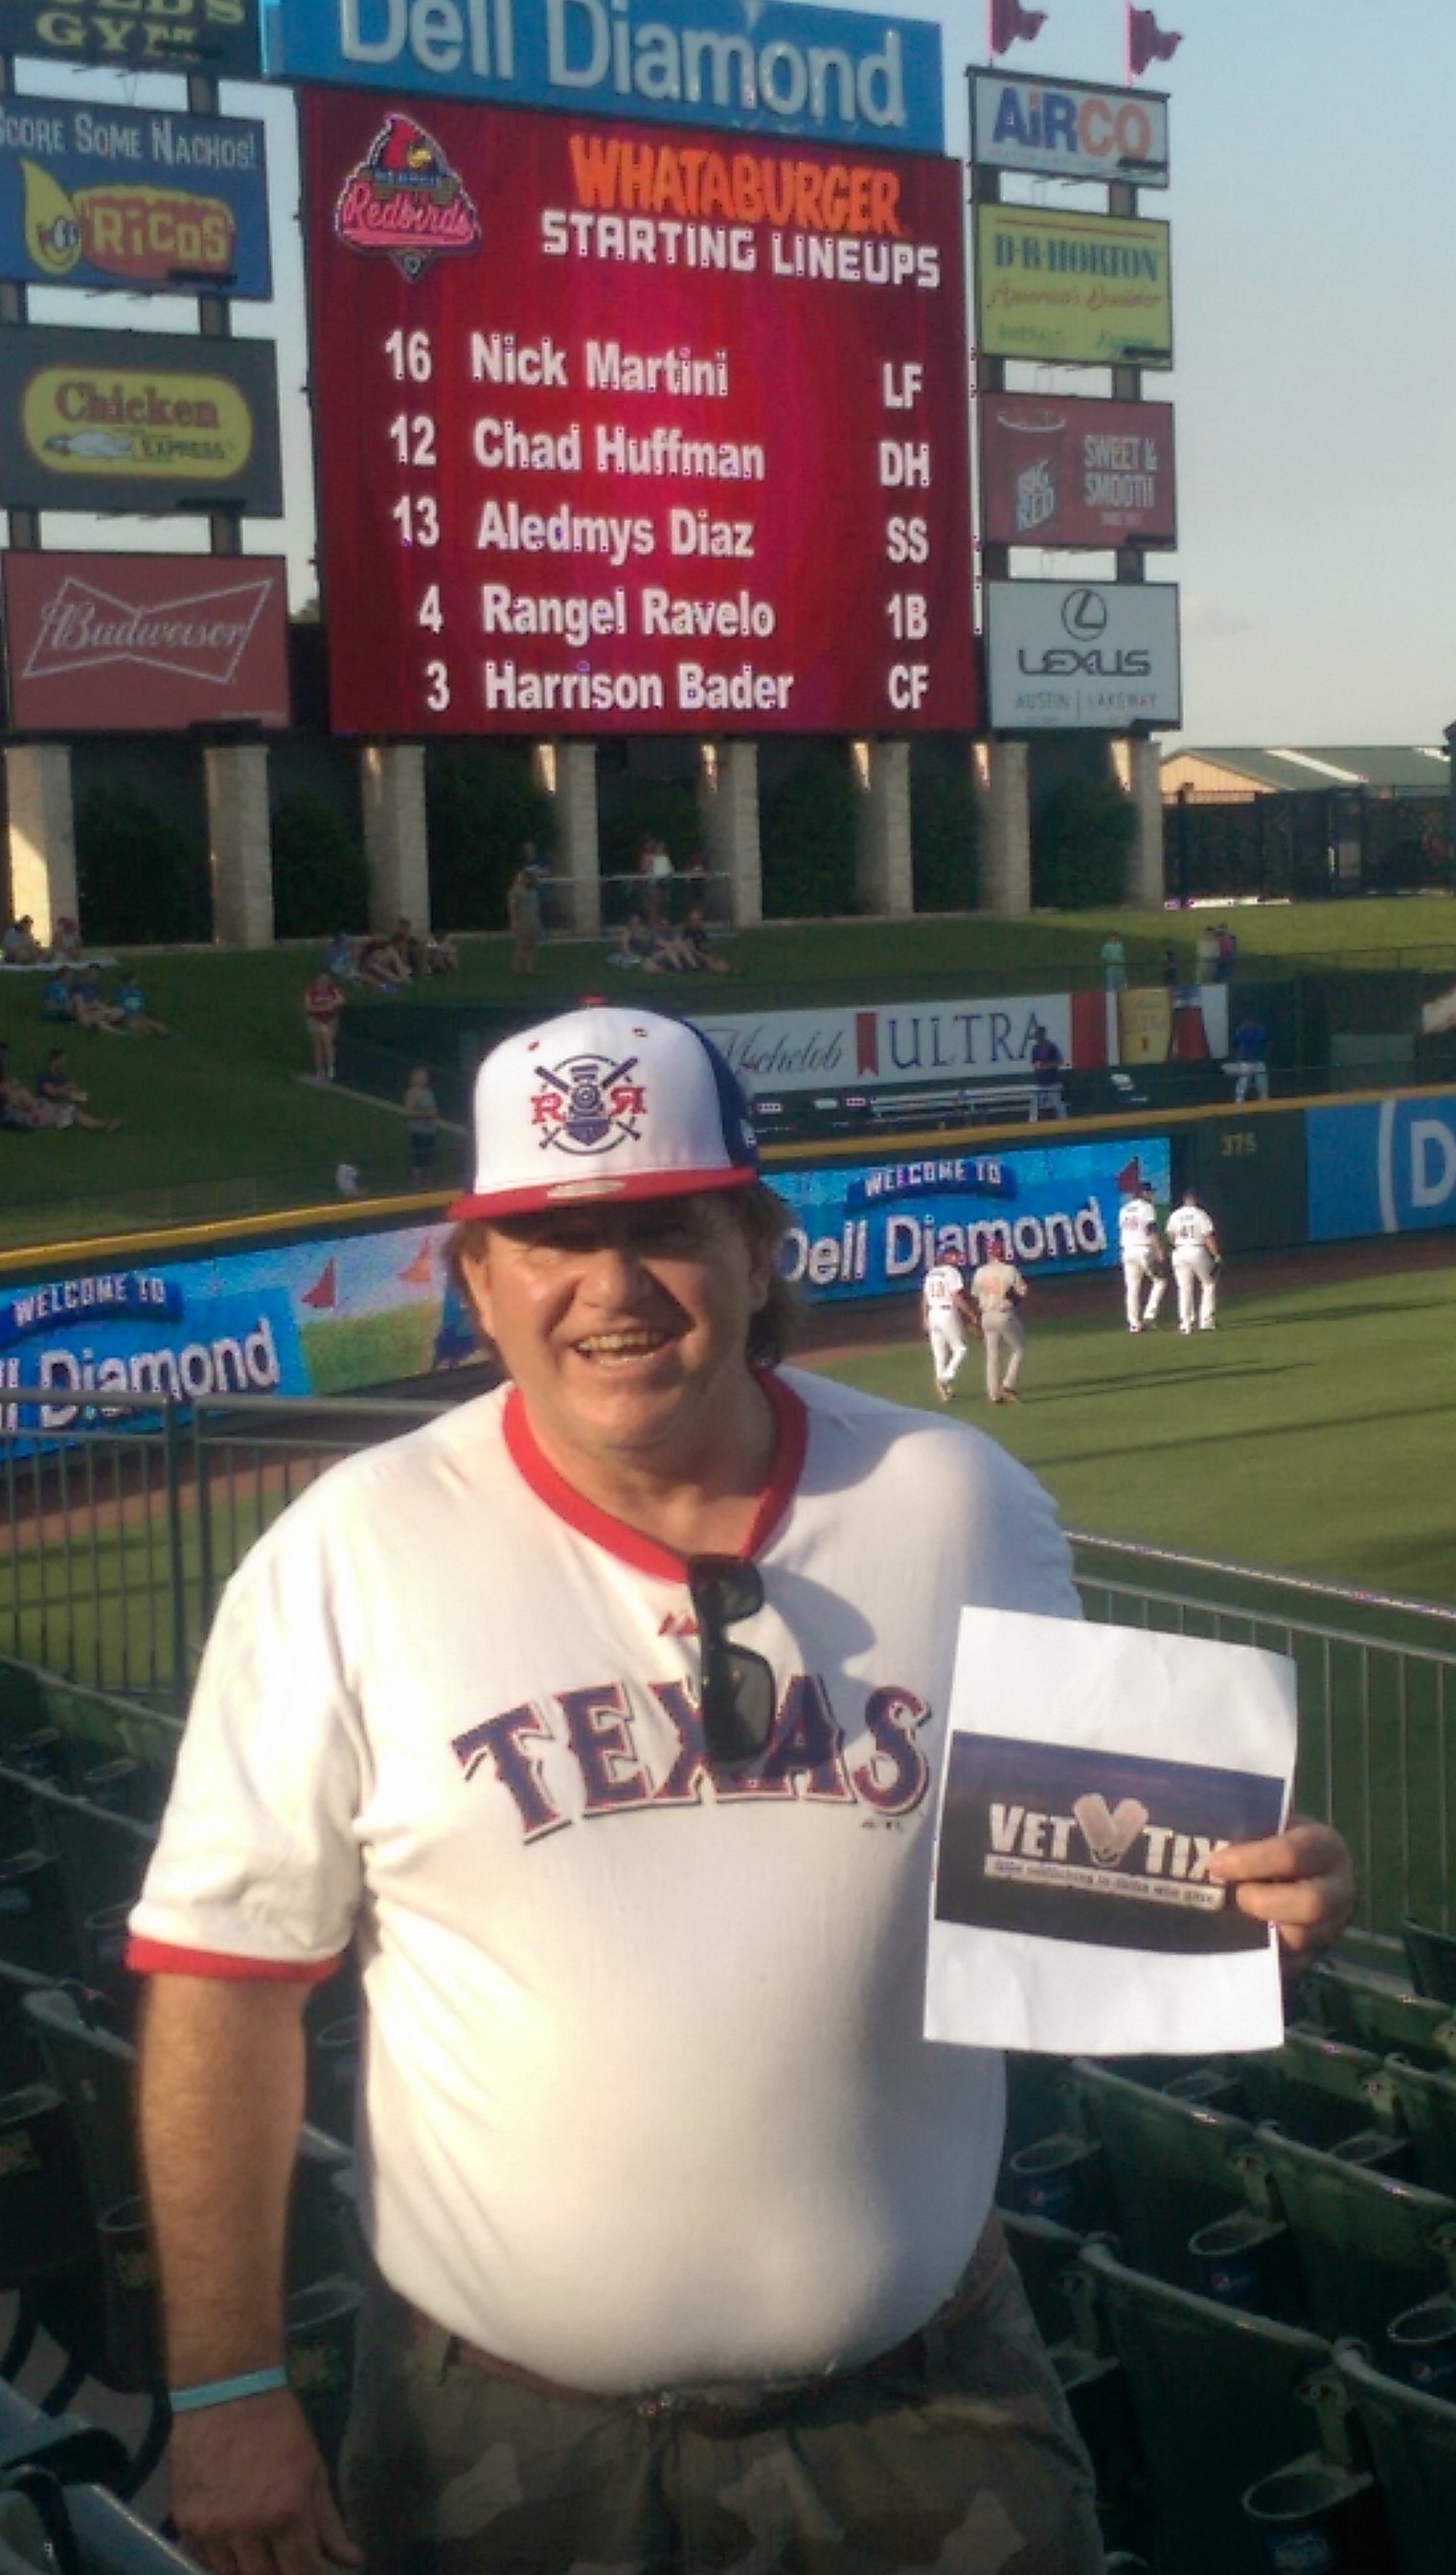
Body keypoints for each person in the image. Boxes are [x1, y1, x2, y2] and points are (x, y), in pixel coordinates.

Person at [126, 1003, 1354, 2575]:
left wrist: (1246, 1900)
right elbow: (222, 1986)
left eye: (668, 1226)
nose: (613, 1286)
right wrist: (226, 2388)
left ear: (765, 1245)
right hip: (502, 2443)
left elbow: (1068, 1886)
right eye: (557, 1234)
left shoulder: (956, 1503)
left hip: (925, 2414)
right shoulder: (346, 1553)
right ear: (475, 1273)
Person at [970, 1246, 1029, 1405]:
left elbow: (975, 1294)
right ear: (1002, 1253)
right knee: (1018, 1349)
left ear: (988, 1254)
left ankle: (993, 1394)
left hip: (986, 1316)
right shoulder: (1009, 1270)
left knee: (992, 1355)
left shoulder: (980, 1272)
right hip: (1003, 1313)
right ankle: (1008, 1384)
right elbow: (1023, 1291)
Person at [1167, 1190, 1221, 1334]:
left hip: (1179, 1251)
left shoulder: (1175, 1215)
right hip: (1197, 1250)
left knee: (1184, 1288)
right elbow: (1207, 1236)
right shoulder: (1200, 1214)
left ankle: (1185, 1324)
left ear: (1184, 1200)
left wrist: (1178, 1245)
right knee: (1208, 1284)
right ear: (1195, 1200)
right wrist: (1216, 1255)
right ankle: (1206, 1321)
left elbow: (1170, 1237)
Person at [921, 1257, 975, 1402]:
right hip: (947, 1312)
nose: (958, 1259)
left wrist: (925, 1316)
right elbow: (955, 1296)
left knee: (939, 1355)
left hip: (933, 1313)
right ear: (949, 1257)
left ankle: (944, 1391)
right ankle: (946, 1377)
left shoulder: (931, 1273)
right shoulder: (952, 1272)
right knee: (960, 1349)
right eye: (956, 1256)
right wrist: (970, 1314)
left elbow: (925, 1297)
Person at [1119, 1180, 1167, 1333]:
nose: (1152, 1194)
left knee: (1132, 1288)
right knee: (1160, 1281)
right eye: (1150, 1192)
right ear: (1143, 1193)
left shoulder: (1124, 1209)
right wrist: (1159, 1251)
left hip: (1127, 1251)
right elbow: (1151, 1230)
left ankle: (1134, 1324)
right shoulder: (1147, 1208)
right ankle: (1149, 1315)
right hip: (1143, 1250)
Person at [305, 969, 346, 1082]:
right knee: (318, 1045)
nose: (324, 982)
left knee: (328, 1043)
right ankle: (319, 1070)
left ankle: (331, 1068)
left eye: (326, 979)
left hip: (329, 1020)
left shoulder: (333, 990)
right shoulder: (312, 992)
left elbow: (341, 1000)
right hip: (315, 1019)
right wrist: (322, 1008)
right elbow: (308, 1007)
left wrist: (332, 1004)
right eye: (322, 979)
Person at [402, 1065, 439, 1187]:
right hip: (419, 1132)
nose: (425, 1079)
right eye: (422, 1076)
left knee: (428, 1159)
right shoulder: (412, 1092)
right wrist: (426, 1114)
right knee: (418, 1160)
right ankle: (416, 1184)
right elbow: (409, 1112)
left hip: (430, 1132)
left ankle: (428, 1183)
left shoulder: (428, 1092)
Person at [507, 862, 542, 974]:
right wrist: (514, 921)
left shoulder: (533, 890)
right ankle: (516, 967)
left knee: (531, 945)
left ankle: (529, 968)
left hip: (534, 920)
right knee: (521, 945)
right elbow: (512, 907)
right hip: (523, 921)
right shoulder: (516, 891)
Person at [1029, 1022, 1068, 1119]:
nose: (1036, 1038)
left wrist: (1048, 1066)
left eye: (1038, 1035)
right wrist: (1037, 1066)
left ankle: (1064, 1121)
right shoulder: (1035, 1048)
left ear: (1042, 1035)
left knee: (1057, 1103)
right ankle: (1032, 1121)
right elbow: (1033, 1063)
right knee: (1034, 1100)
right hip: (1040, 1082)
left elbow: (1060, 1062)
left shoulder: (1051, 1047)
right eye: (1035, 1036)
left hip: (1052, 1081)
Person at [1229, 1013, 1271, 1104]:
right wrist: (1238, 1056)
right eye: (1247, 1022)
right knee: (1243, 1081)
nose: (1249, 1024)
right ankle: (1239, 1100)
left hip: (1259, 1060)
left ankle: (1264, 1099)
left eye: (1251, 1021)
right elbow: (1234, 1044)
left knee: (1262, 1080)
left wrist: (1265, 1054)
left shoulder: (1260, 1030)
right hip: (1245, 1060)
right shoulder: (1241, 1031)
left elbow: (1267, 1042)